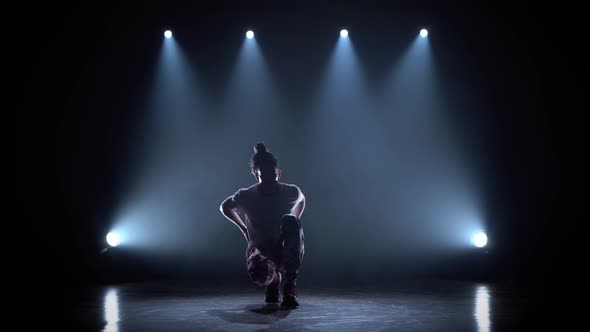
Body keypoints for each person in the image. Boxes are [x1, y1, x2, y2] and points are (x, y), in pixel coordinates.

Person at [220, 142, 305, 308]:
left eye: (272, 175)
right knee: (259, 273)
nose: (268, 181)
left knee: (292, 221)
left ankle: (289, 287)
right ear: (256, 176)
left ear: (278, 173)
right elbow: (225, 207)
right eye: (263, 176)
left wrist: (294, 219)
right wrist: (244, 229)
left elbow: (301, 200)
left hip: (283, 248)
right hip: (261, 250)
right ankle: (274, 281)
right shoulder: (246, 195)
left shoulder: (290, 192)